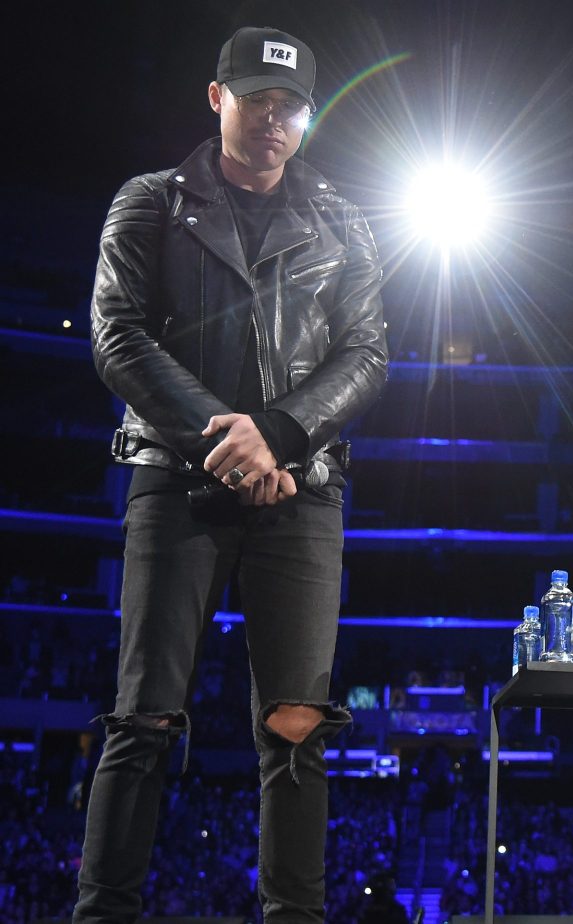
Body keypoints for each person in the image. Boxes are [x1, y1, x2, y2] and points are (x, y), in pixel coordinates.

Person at [76, 26, 387, 923]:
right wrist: (231, 441)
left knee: (297, 727)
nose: (274, 119)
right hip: (176, 483)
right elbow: (116, 337)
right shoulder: (150, 202)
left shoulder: (344, 219)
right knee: (143, 719)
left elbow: (368, 354)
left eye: (292, 106)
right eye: (257, 100)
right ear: (218, 98)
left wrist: (277, 437)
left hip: (301, 490)